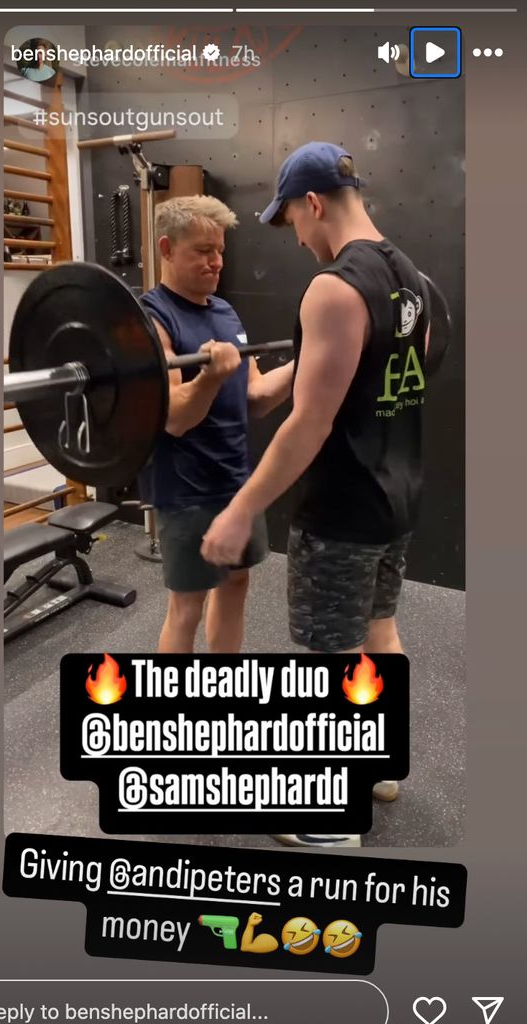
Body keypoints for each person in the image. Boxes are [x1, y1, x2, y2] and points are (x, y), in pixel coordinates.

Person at [201, 142, 431, 848]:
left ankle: (328, 824)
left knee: (328, 659)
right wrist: (263, 382)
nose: (296, 240)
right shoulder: (415, 283)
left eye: (291, 224)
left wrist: (241, 509)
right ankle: (381, 767)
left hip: (341, 509)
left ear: (312, 204)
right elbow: (357, 372)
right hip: (397, 497)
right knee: (377, 632)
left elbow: (311, 419)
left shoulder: (331, 288)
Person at [139, 195, 294, 654]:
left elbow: (257, 398)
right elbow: (174, 417)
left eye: (220, 250)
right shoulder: (152, 319)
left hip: (237, 482)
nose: (216, 261)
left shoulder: (224, 312)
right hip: (185, 490)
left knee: (235, 585)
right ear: (167, 249)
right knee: (187, 607)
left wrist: (312, 358)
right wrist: (210, 376)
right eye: (202, 251)